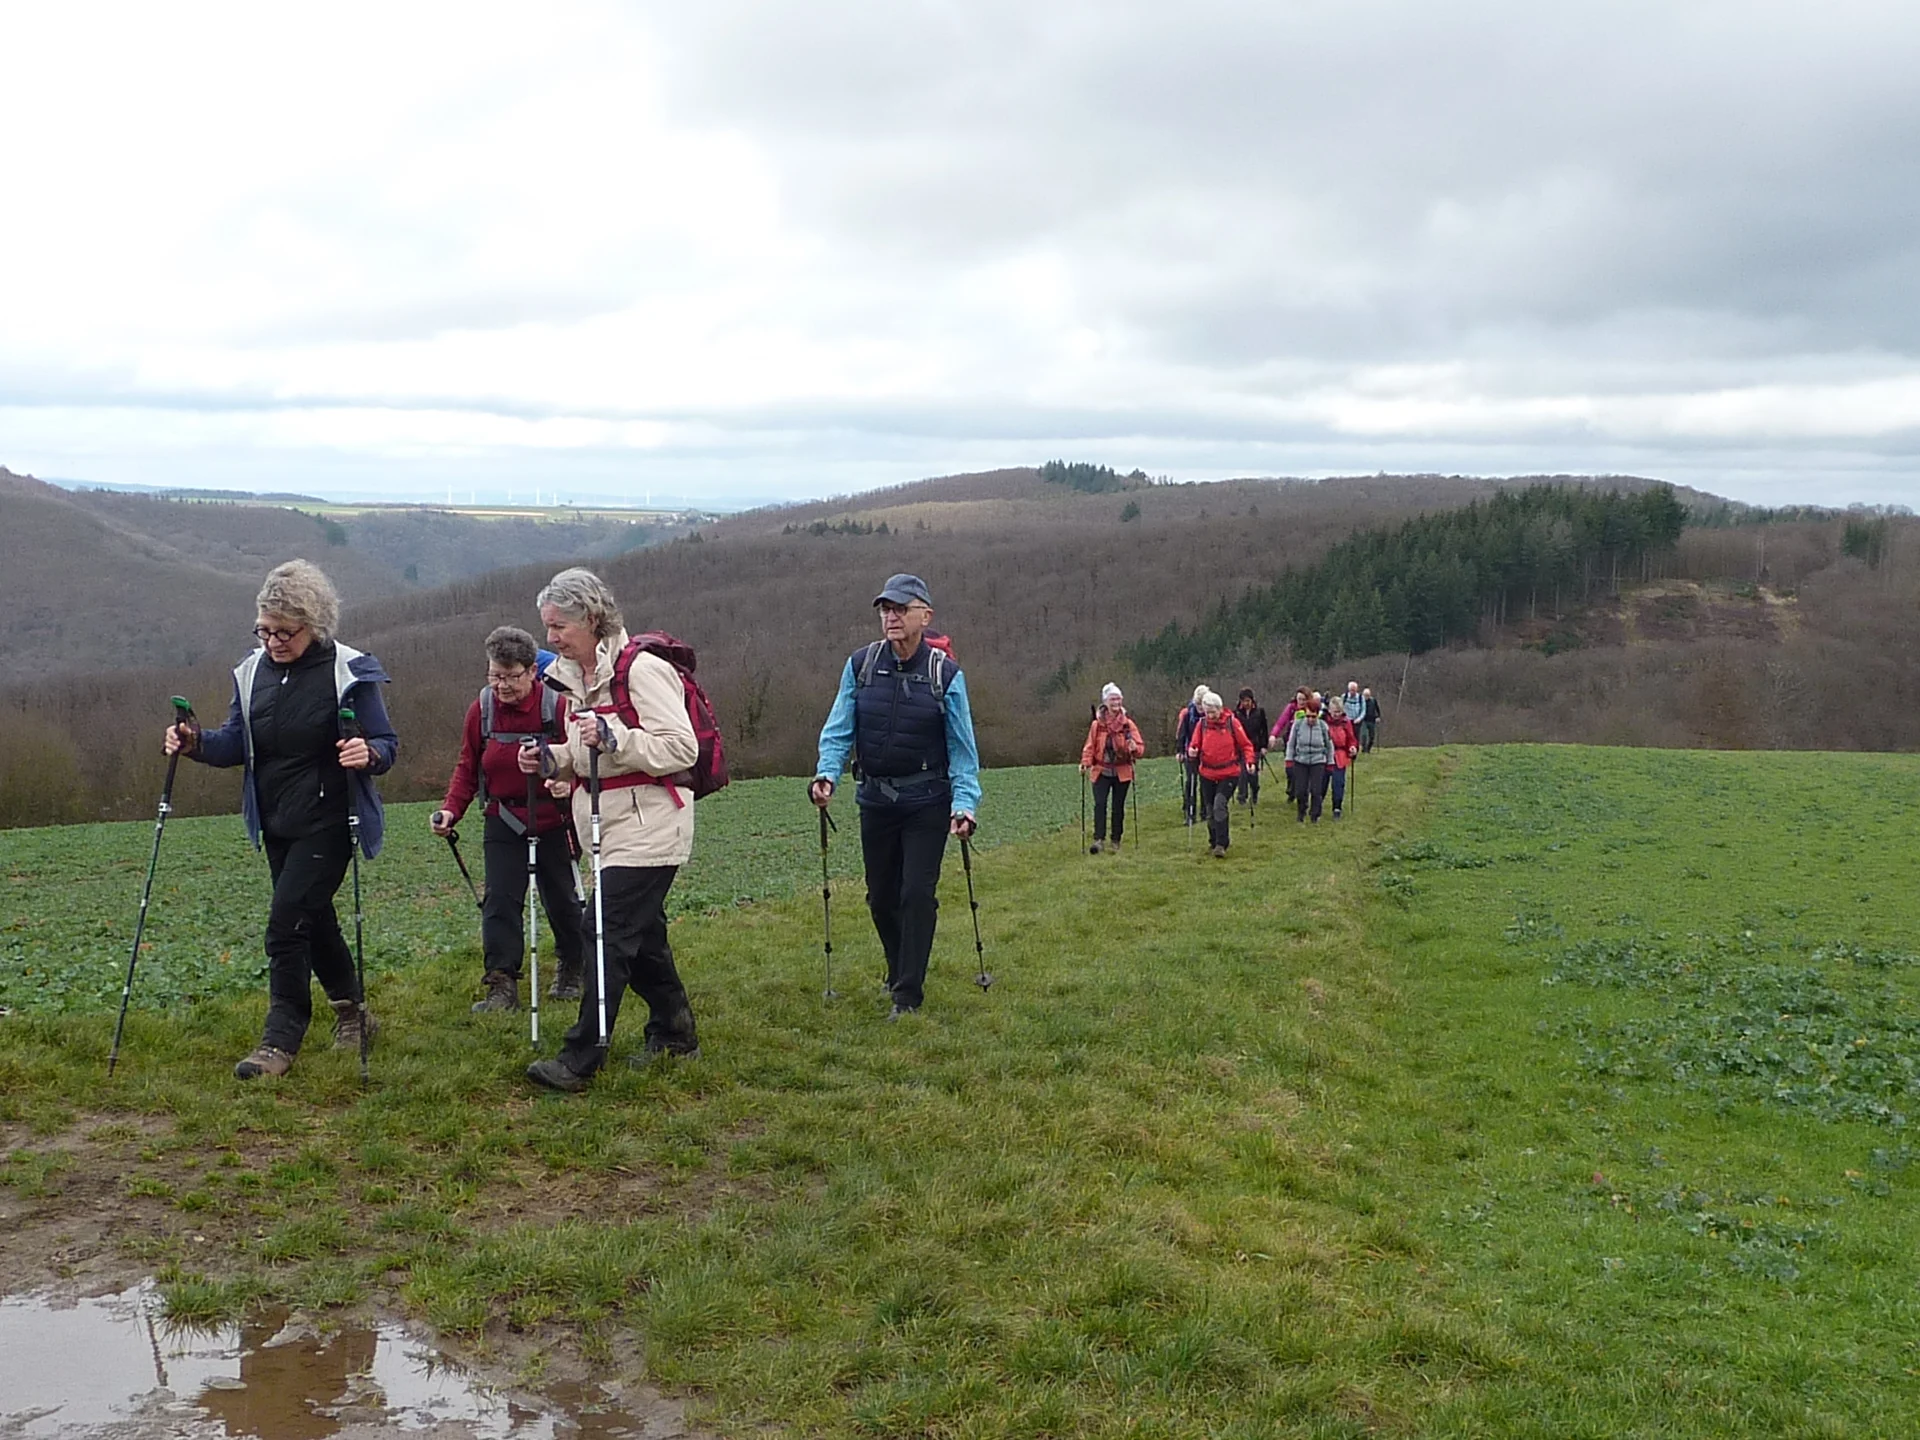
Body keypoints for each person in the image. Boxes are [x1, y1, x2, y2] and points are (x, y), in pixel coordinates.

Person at [163, 560, 397, 1080]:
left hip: (330, 820)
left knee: (285, 924)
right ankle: (354, 1014)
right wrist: (196, 742)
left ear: (314, 624)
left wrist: (368, 754)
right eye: (264, 631)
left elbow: (387, 743)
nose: (272, 642)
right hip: (275, 822)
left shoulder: (348, 672)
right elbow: (235, 744)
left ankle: (280, 1039)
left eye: (284, 632)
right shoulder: (251, 674)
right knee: (313, 921)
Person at [523, 568, 701, 1092]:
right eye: (548, 627)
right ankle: (674, 1031)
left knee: (601, 929)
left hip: (651, 825)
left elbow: (680, 747)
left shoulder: (641, 670)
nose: (550, 637)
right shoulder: (573, 676)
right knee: (639, 936)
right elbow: (587, 752)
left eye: (559, 626)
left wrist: (614, 737)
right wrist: (552, 760)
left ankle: (582, 1056)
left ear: (593, 619)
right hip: (607, 824)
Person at [810, 574, 982, 1018]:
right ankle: (897, 967)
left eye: (901, 608)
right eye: (886, 608)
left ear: (925, 615)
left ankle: (908, 993)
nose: (891, 616)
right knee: (881, 897)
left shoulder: (945, 673)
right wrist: (827, 773)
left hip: (928, 800)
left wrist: (965, 803)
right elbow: (839, 725)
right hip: (876, 799)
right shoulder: (861, 665)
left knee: (916, 894)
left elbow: (963, 749)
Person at [431, 626, 587, 1012]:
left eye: (510, 676)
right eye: (494, 675)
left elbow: (583, 761)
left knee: (563, 901)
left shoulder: (558, 707)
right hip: (503, 817)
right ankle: (501, 985)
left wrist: (571, 785)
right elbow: (468, 766)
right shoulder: (482, 709)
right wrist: (451, 810)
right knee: (500, 902)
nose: (501, 686)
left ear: (532, 671)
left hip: (554, 819)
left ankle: (573, 966)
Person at [1186, 690, 1254, 858]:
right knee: (1209, 810)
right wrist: (1192, 751)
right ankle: (1213, 840)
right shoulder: (1201, 725)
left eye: (1213, 712)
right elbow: (1194, 745)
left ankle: (1222, 843)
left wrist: (1250, 762)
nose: (1210, 715)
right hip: (1207, 773)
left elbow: (1246, 745)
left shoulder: (1232, 723)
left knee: (1219, 805)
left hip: (1229, 773)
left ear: (1220, 708)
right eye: (1207, 712)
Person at [1080, 682, 1144, 854]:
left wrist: (1134, 748)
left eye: (1118, 699)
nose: (1116, 702)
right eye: (1112, 699)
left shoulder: (1128, 724)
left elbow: (1140, 748)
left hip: (1122, 771)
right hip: (1101, 770)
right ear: (1105, 702)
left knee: (1118, 806)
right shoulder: (1097, 724)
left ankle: (1116, 840)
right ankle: (1098, 840)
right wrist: (1085, 762)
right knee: (1099, 804)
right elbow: (1090, 745)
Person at [1285, 693, 1334, 823]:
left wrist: (1330, 763)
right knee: (1300, 791)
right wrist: (1289, 760)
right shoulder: (1298, 724)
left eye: (1313, 717)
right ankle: (1301, 812)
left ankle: (1315, 815)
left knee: (1316, 790)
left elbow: (1329, 745)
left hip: (1318, 761)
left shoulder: (1323, 726)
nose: (1310, 719)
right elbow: (1291, 743)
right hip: (1300, 761)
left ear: (1317, 715)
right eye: (1308, 716)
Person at [1173, 684, 1208, 826]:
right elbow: (1182, 734)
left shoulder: (1211, 714)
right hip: (1191, 753)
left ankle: (1205, 812)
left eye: (1202, 704)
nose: (1200, 707)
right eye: (1198, 704)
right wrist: (1180, 751)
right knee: (1191, 782)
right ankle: (1190, 813)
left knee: (1206, 782)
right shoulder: (1188, 714)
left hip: (1207, 753)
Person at [1233, 688, 1270, 805]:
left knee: (1252, 773)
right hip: (1240, 747)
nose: (1246, 703)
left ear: (1252, 700)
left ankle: (1254, 791)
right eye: (1243, 701)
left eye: (1248, 701)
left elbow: (1264, 730)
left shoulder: (1260, 712)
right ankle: (1242, 797)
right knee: (1242, 772)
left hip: (1255, 747)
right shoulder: (1236, 714)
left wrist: (1264, 746)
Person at [1271, 688, 1307, 803]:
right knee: (1290, 769)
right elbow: (1281, 722)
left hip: (1305, 743)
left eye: (1303, 699)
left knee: (1301, 769)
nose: (1301, 702)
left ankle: (1300, 791)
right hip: (1291, 741)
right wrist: (1273, 735)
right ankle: (1291, 790)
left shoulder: (1311, 710)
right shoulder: (1291, 708)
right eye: (1299, 699)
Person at [1325, 697, 1360, 819]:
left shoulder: (1346, 722)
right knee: (1321, 783)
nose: (1336, 715)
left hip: (1340, 756)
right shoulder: (1323, 721)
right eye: (1334, 712)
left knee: (1338, 783)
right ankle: (1316, 806)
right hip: (1324, 755)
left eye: (1339, 712)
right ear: (1329, 710)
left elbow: (1351, 739)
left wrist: (1353, 747)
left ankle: (1337, 807)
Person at [1359, 687, 1382, 753]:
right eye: (1365, 695)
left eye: (1368, 695)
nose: (1366, 697)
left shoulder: (1373, 700)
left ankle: (1368, 749)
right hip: (1364, 720)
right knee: (1364, 735)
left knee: (1372, 737)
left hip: (1372, 721)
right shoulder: (1361, 701)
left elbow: (1377, 709)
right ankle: (1364, 749)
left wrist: (1378, 717)